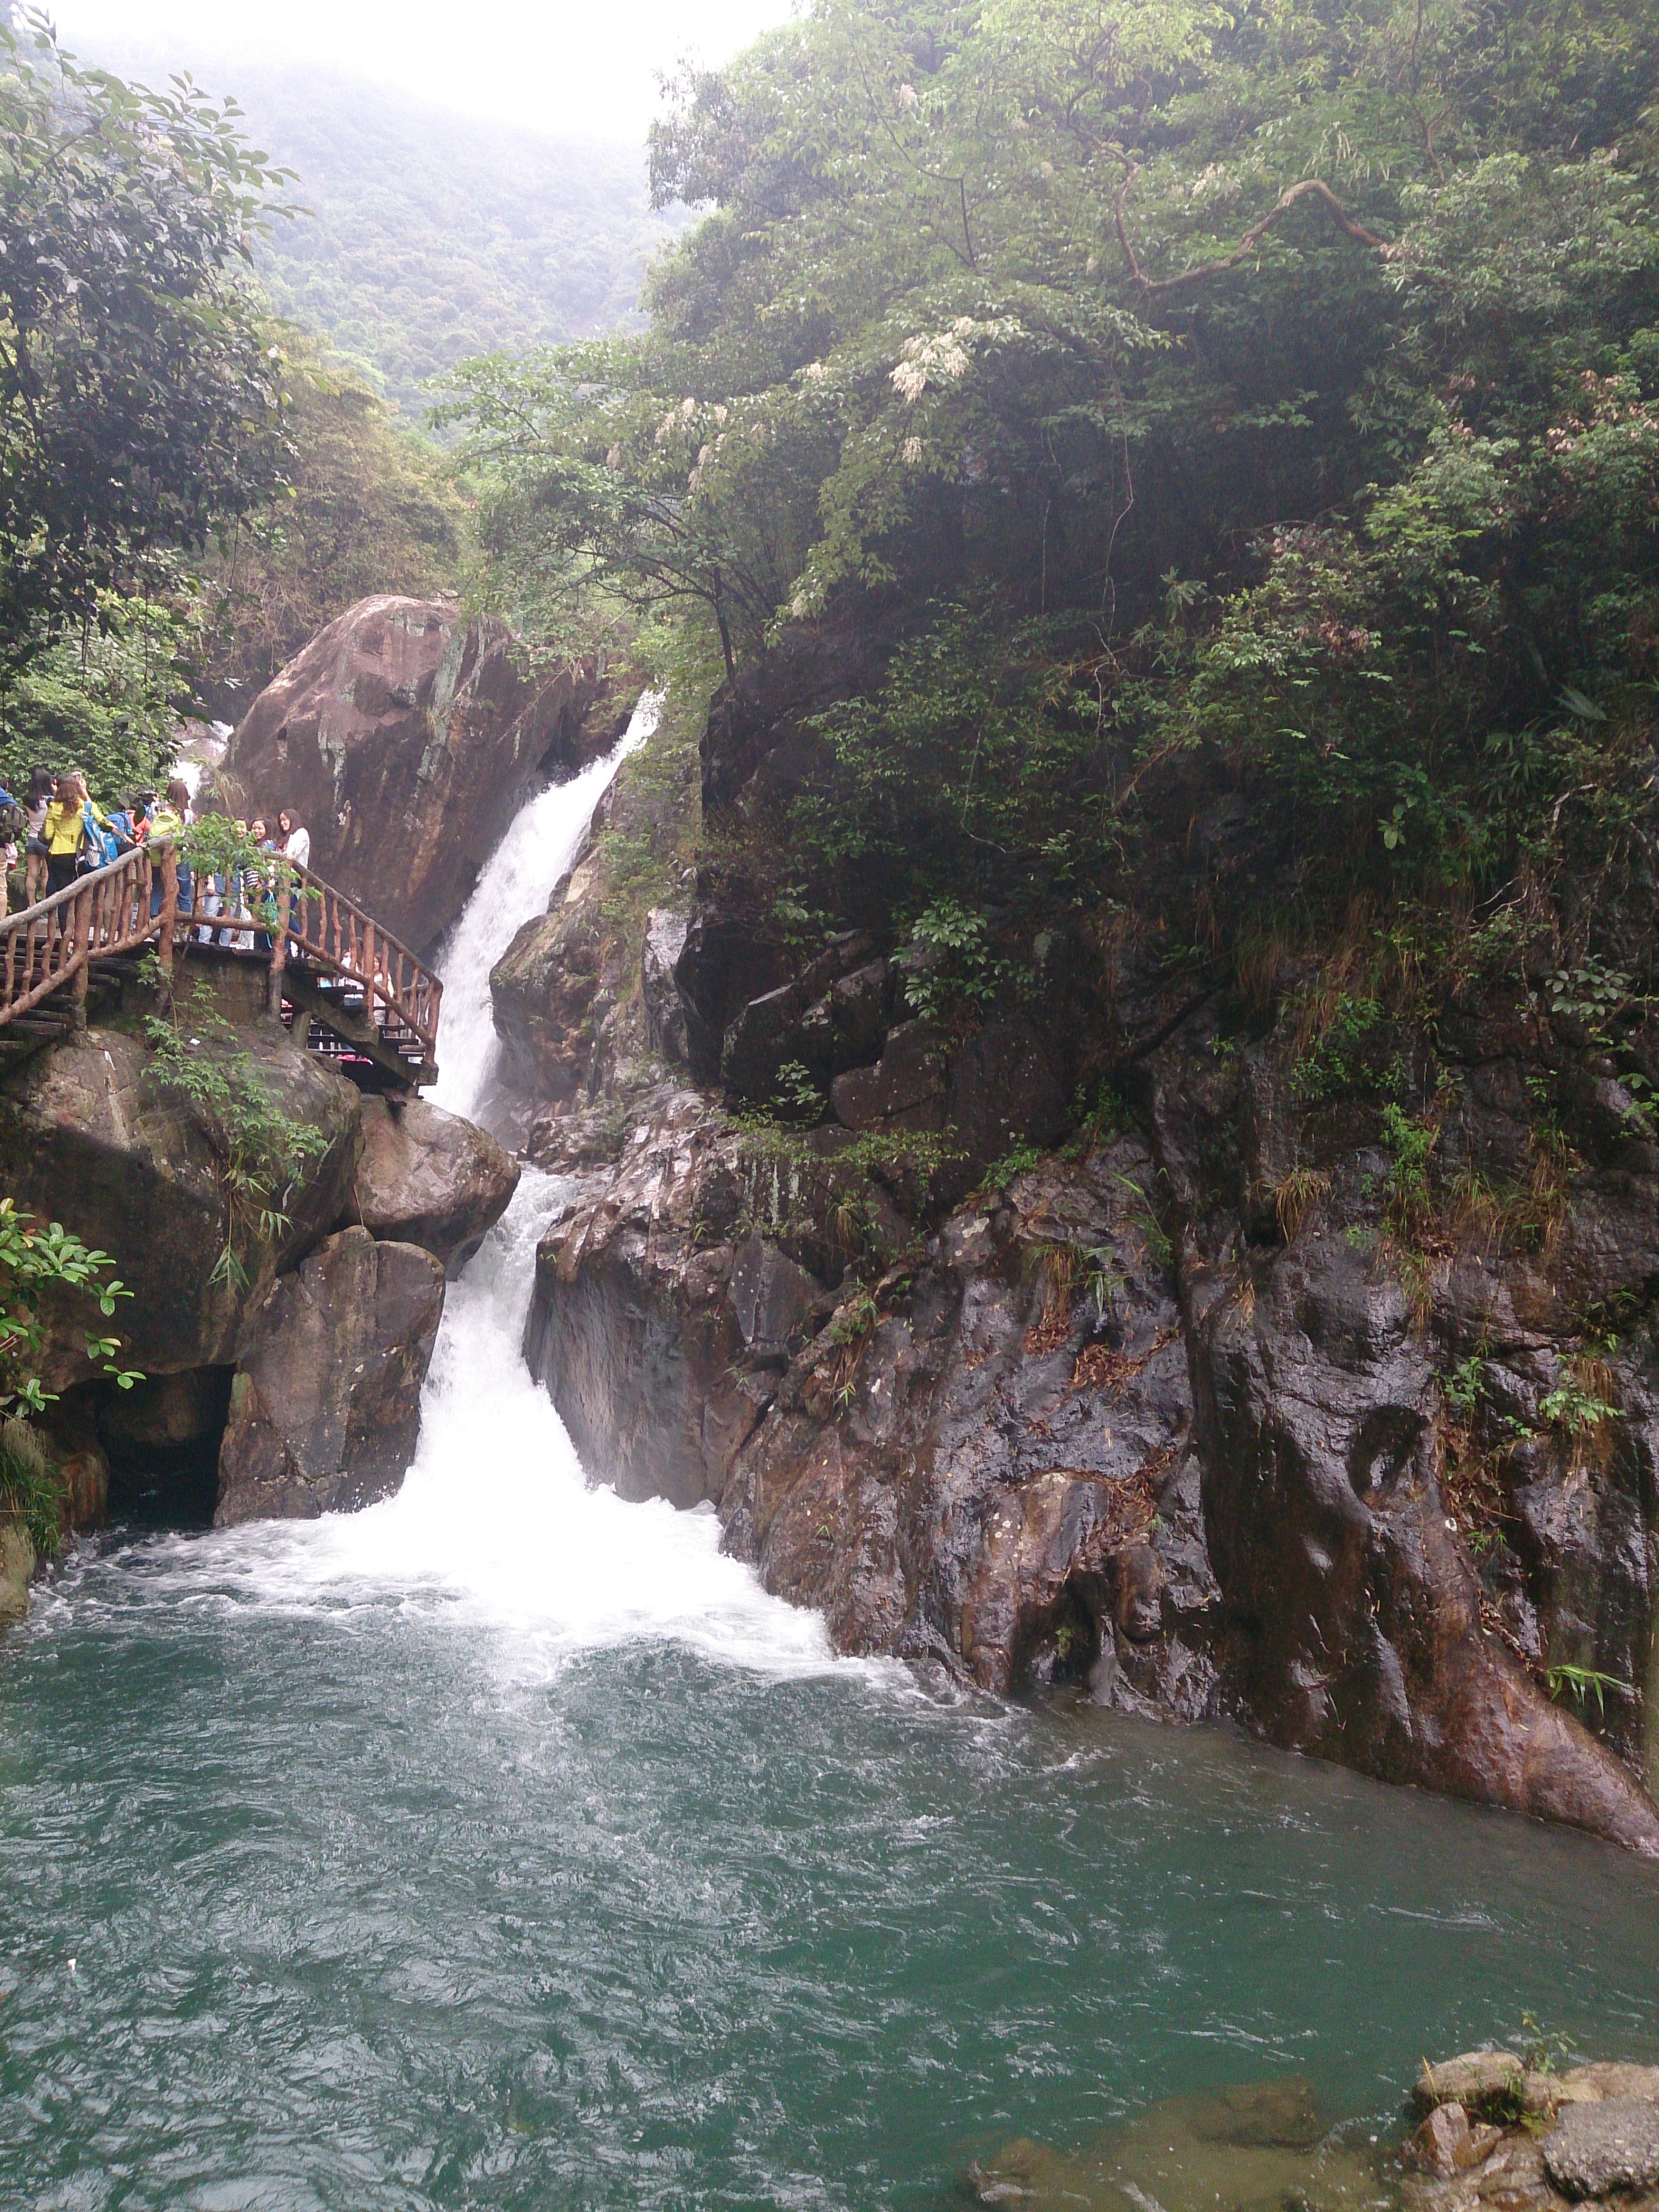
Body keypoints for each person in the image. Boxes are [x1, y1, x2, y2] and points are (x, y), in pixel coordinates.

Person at [40, 773, 111, 897]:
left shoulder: (53, 807)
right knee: (81, 892)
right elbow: (105, 823)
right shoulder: (87, 806)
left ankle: (60, 916)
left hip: (58, 854)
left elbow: (48, 835)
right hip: (80, 855)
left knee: (62, 894)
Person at [23, 769, 52, 905]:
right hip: (46, 840)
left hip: (32, 838)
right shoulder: (50, 801)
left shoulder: (27, 800)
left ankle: (32, 905)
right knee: (46, 875)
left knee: (32, 874)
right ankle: (45, 906)